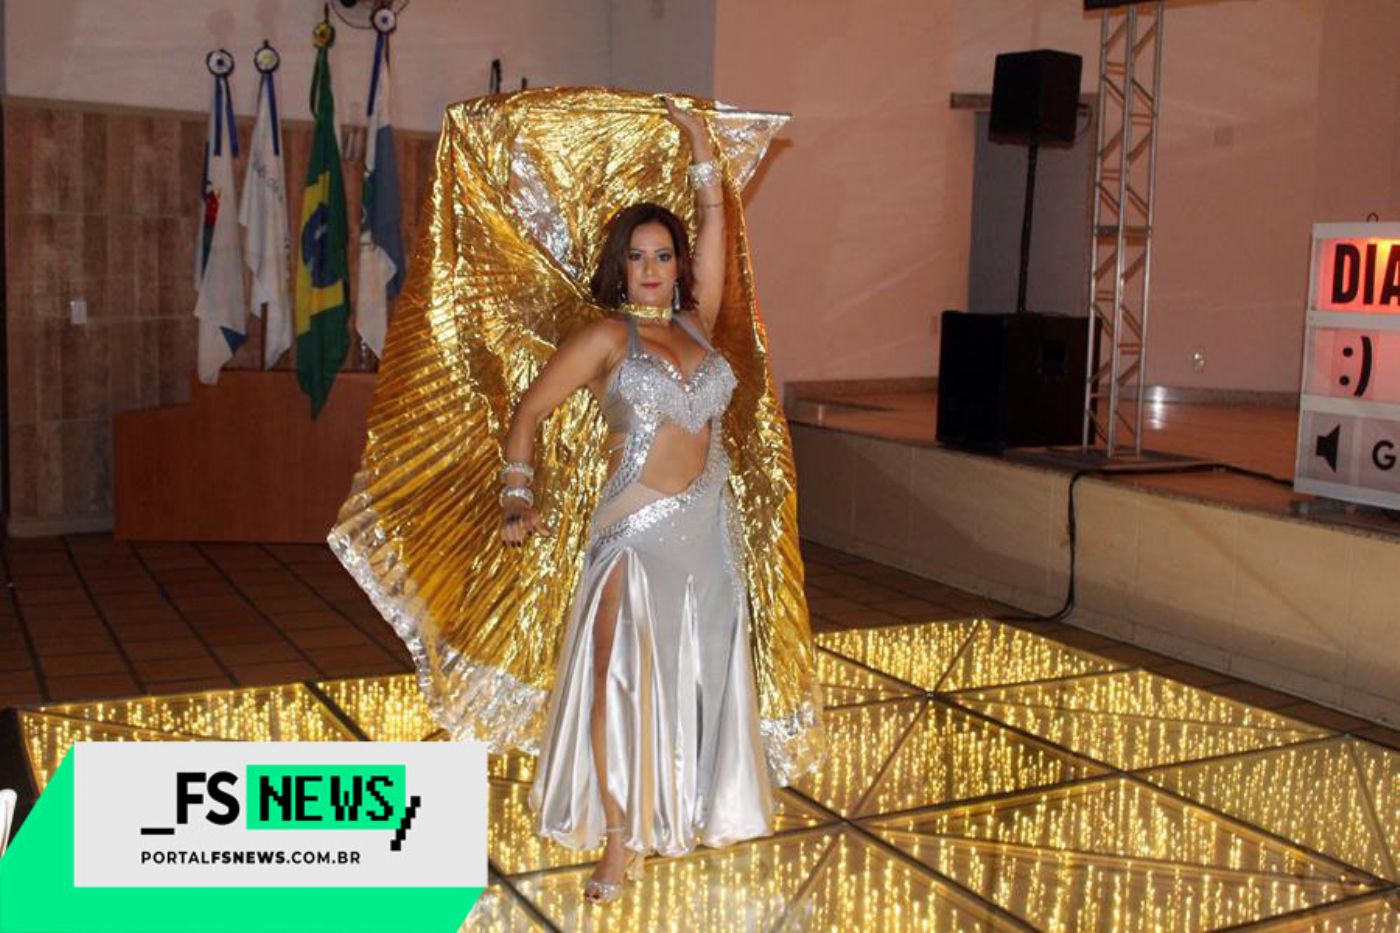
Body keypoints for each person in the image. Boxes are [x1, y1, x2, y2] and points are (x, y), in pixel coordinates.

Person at [497, 98, 774, 903]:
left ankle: (680, 811)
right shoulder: (604, 338)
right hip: (633, 529)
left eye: (663, 255)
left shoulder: (699, 326)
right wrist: (517, 497)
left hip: (708, 529)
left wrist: (699, 145)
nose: (651, 268)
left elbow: (717, 225)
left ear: (678, 265)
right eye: (637, 256)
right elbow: (528, 414)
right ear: (619, 267)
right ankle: (619, 839)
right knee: (614, 677)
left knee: (696, 675)